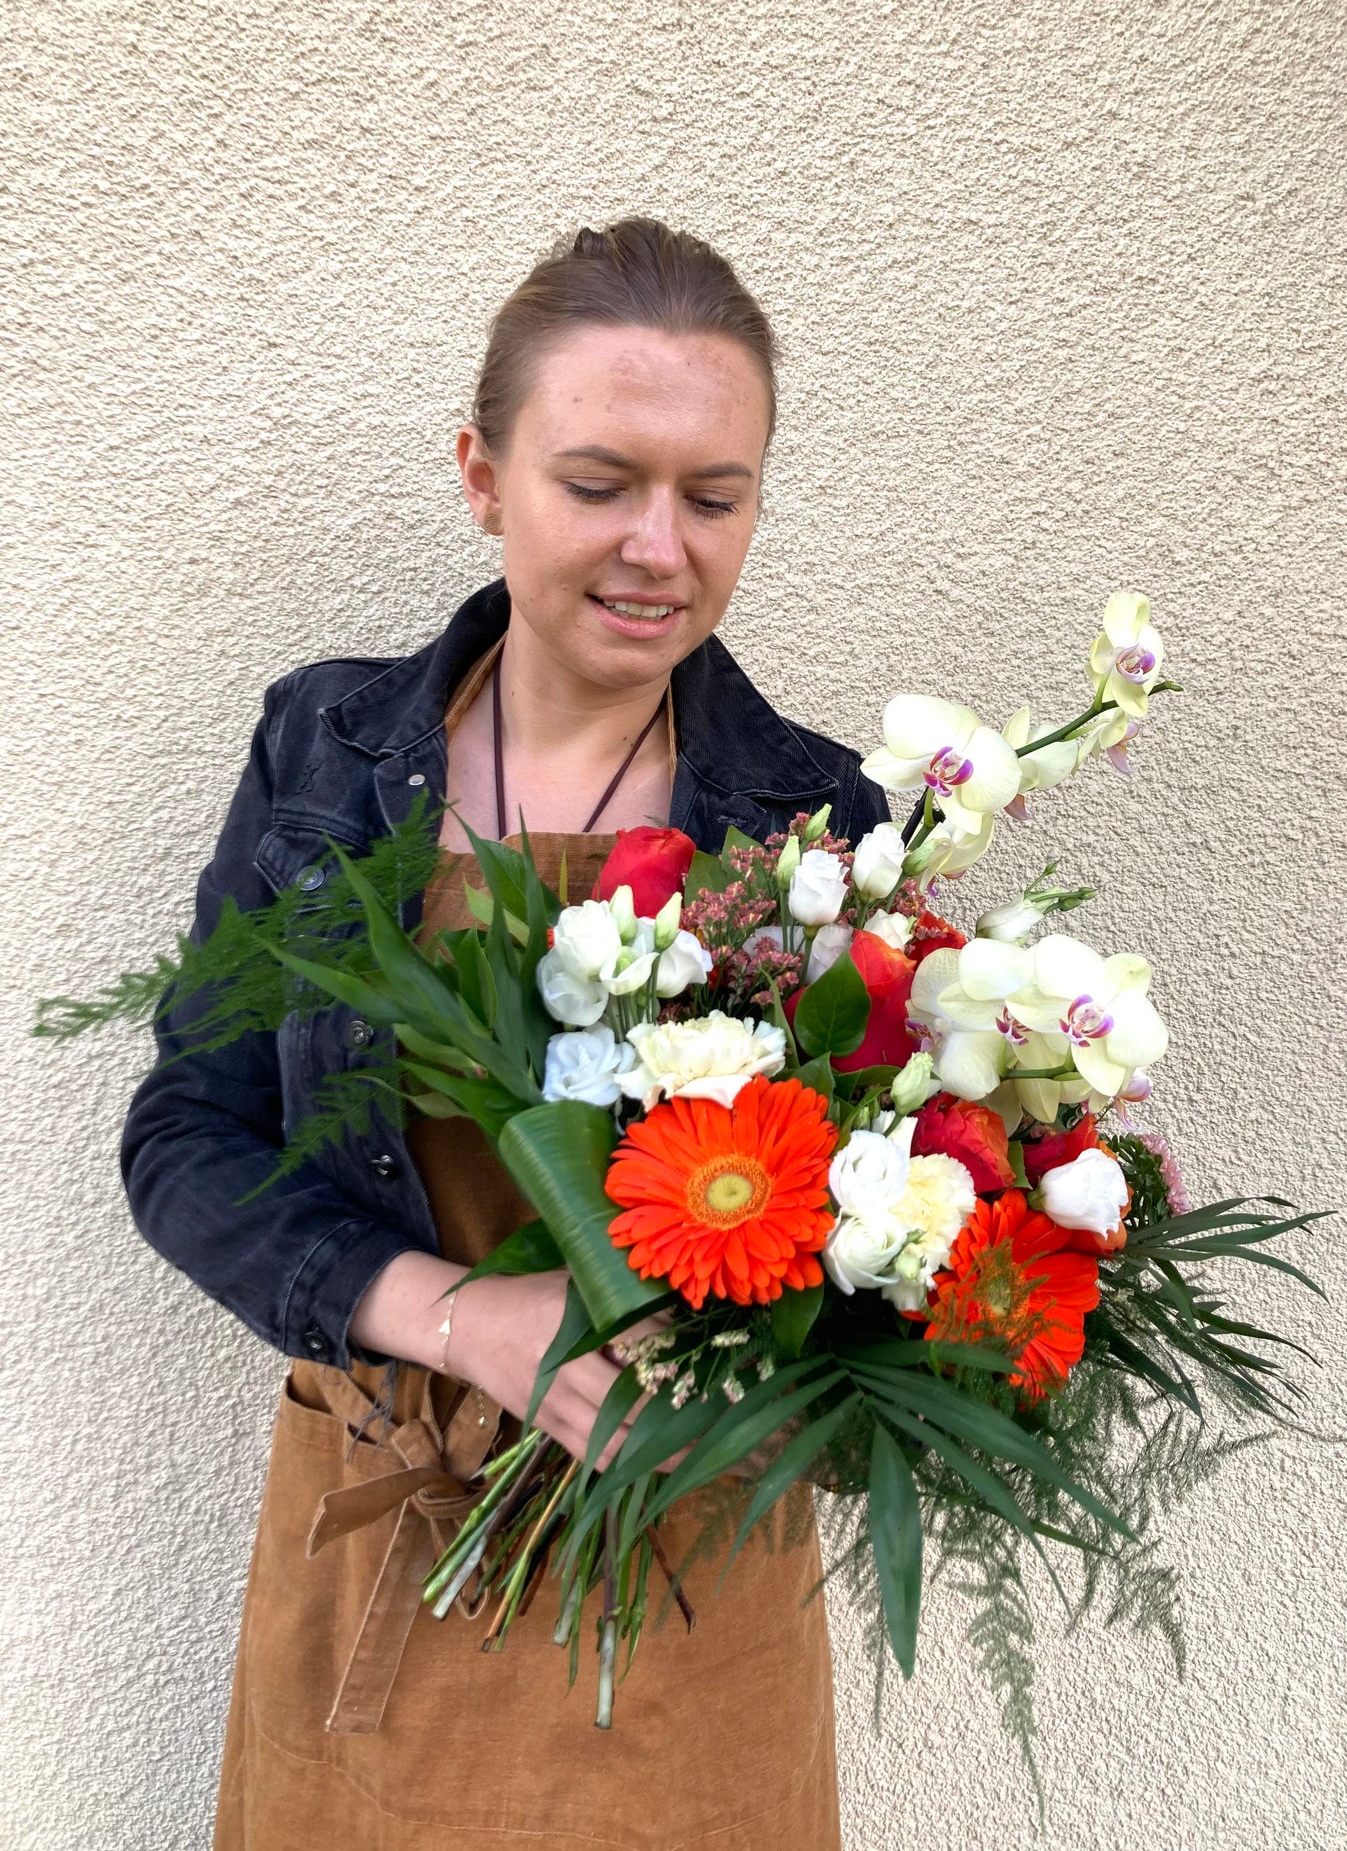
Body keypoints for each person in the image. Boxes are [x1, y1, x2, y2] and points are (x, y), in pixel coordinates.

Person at [121, 216, 891, 1851]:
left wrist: (799, 1343)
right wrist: (459, 1317)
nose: (657, 548)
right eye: (597, 483)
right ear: (481, 473)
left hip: (682, 1579)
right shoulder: (324, 750)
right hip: (381, 1545)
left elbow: (870, 1240)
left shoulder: (810, 819)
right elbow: (185, 1140)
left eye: (713, 496)